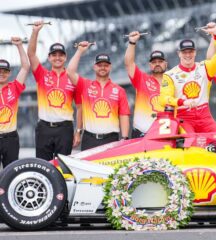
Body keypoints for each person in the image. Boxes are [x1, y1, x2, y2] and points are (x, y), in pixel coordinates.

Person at [159, 22, 216, 133]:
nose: (188, 55)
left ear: (195, 52)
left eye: (190, 51)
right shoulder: (170, 75)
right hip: (184, 118)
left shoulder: (205, 67)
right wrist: (183, 102)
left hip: (205, 117)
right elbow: (162, 99)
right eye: (184, 52)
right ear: (179, 54)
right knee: (190, 142)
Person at [27, 20, 82, 160]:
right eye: (54, 55)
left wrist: (78, 132)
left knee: (63, 167)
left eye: (61, 55)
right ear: (49, 57)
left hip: (65, 129)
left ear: (65, 57)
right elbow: (31, 55)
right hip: (44, 128)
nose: (57, 58)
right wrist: (35, 32)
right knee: (42, 166)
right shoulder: (42, 74)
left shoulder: (73, 77)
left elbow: (80, 107)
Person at [67, 41, 130, 150]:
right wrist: (80, 51)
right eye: (99, 65)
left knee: (109, 167)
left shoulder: (119, 90)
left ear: (110, 67)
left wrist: (125, 138)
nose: (103, 68)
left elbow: (124, 115)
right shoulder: (85, 85)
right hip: (89, 138)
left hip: (111, 139)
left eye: (106, 65)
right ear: (94, 67)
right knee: (87, 167)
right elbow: (70, 72)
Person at [124, 31, 167, 138]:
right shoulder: (142, 79)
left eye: (160, 61)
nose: (157, 64)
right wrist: (132, 43)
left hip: (165, 133)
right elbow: (129, 63)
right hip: (141, 133)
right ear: (150, 65)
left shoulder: (173, 82)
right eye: (154, 62)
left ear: (165, 64)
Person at [0, 37, 29, 167]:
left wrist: (19, 46)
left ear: (9, 73)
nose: (2, 74)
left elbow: (25, 67)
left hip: (10, 138)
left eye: (5, 71)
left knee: (11, 172)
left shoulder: (14, 87)